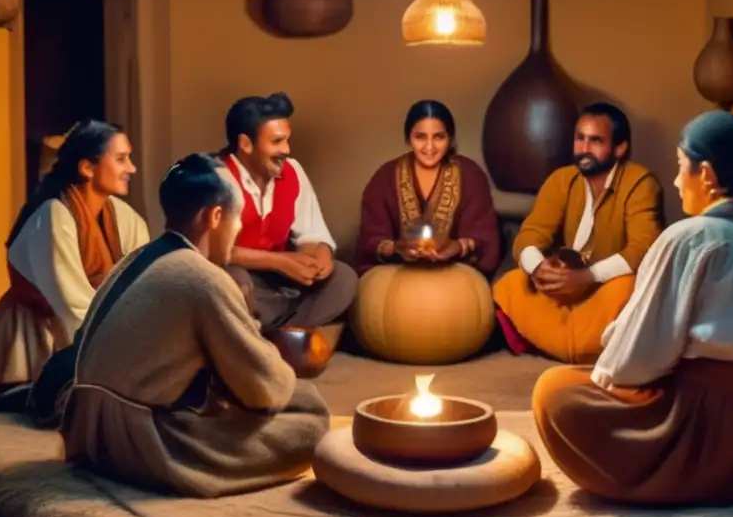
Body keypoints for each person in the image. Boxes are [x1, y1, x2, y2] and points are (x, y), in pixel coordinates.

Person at [531, 111, 733, 506]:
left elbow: (639, 357)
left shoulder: (691, 236)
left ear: (705, 174)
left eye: (680, 166)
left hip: (709, 425)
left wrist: (604, 380)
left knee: (555, 391)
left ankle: (687, 480)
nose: (674, 179)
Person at [59, 153, 331, 499]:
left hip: (84, 431)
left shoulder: (136, 258)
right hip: (139, 443)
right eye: (237, 220)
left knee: (279, 398)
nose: (237, 231)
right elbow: (264, 388)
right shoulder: (202, 278)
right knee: (309, 415)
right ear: (215, 217)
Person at [0, 120, 150, 391]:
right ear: (86, 168)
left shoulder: (126, 219)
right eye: (121, 159)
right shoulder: (52, 216)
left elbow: (140, 283)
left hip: (89, 332)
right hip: (34, 339)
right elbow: (73, 304)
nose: (131, 168)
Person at [491, 103, 664, 363]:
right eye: (579, 138)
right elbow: (530, 234)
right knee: (511, 284)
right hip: (563, 290)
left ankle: (563, 342)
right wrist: (540, 269)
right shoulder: (562, 179)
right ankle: (581, 344)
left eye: (595, 141)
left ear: (620, 148)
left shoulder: (640, 183)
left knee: (626, 288)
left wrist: (589, 276)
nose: (584, 149)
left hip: (602, 291)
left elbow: (644, 249)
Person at [217, 93, 357, 331]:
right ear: (245, 143)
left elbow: (311, 233)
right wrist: (278, 261)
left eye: (287, 140)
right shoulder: (216, 176)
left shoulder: (292, 171)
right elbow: (211, 250)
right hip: (241, 277)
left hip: (279, 286)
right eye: (277, 142)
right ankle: (260, 331)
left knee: (343, 278)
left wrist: (318, 258)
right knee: (232, 283)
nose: (287, 150)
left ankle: (269, 331)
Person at [354, 99, 501, 277]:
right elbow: (369, 241)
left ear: (450, 138)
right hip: (396, 278)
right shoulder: (386, 176)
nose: (429, 147)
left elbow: (486, 239)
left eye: (439, 137)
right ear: (409, 138)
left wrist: (459, 246)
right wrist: (396, 247)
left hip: (456, 279)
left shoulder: (470, 175)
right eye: (420, 137)